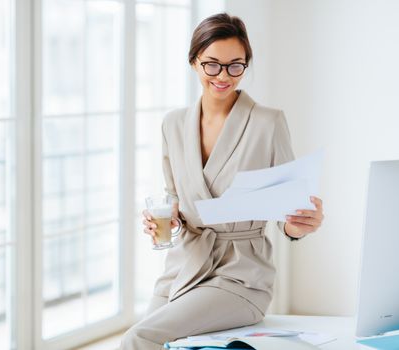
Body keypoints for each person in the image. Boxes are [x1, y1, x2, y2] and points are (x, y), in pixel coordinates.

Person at [120, 13, 324, 350]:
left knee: (138, 337)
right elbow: (174, 194)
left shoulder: (268, 122)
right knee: (149, 339)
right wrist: (168, 219)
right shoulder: (173, 124)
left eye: (235, 65)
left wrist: (298, 226)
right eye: (212, 64)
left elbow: (289, 207)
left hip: (241, 274)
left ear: (246, 65)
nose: (223, 76)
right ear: (194, 62)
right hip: (184, 265)